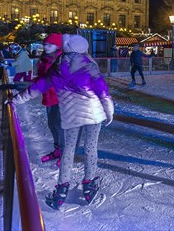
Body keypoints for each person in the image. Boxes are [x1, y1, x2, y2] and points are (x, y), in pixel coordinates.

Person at [12, 34, 114, 209]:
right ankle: (89, 184)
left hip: (70, 115)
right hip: (93, 114)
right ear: (82, 49)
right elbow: (102, 91)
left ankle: (61, 189)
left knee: (68, 150)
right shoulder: (89, 65)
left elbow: (37, 88)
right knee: (90, 148)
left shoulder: (57, 67)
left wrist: (15, 100)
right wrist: (109, 111)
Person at [37, 33, 64, 165]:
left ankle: (64, 153)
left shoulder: (61, 59)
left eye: (50, 44)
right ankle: (58, 149)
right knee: (52, 125)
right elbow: (40, 80)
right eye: (45, 44)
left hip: (59, 98)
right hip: (48, 96)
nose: (46, 46)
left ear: (57, 45)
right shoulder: (44, 59)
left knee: (59, 126)